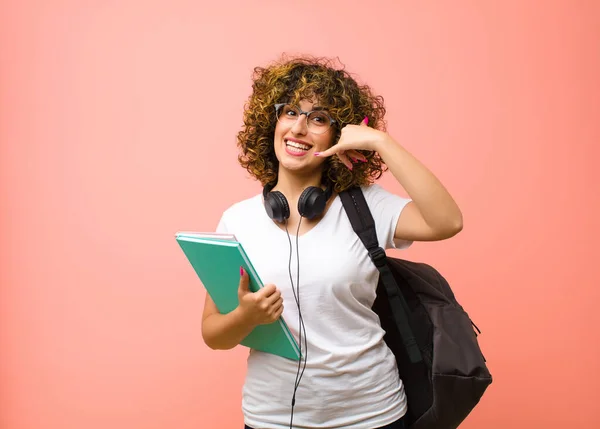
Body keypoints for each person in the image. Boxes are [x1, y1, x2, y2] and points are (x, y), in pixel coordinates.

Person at [201, 55, 463, 429]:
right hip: (272, 419)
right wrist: (247, 317)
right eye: (290, 112)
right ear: (271, 121)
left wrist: (380, 141)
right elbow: (213, 334)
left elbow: (447, 221)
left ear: (339, 135)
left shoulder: (367, 206)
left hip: (373, 415)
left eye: (319, 118)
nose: (300, 128)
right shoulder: (237, 220)